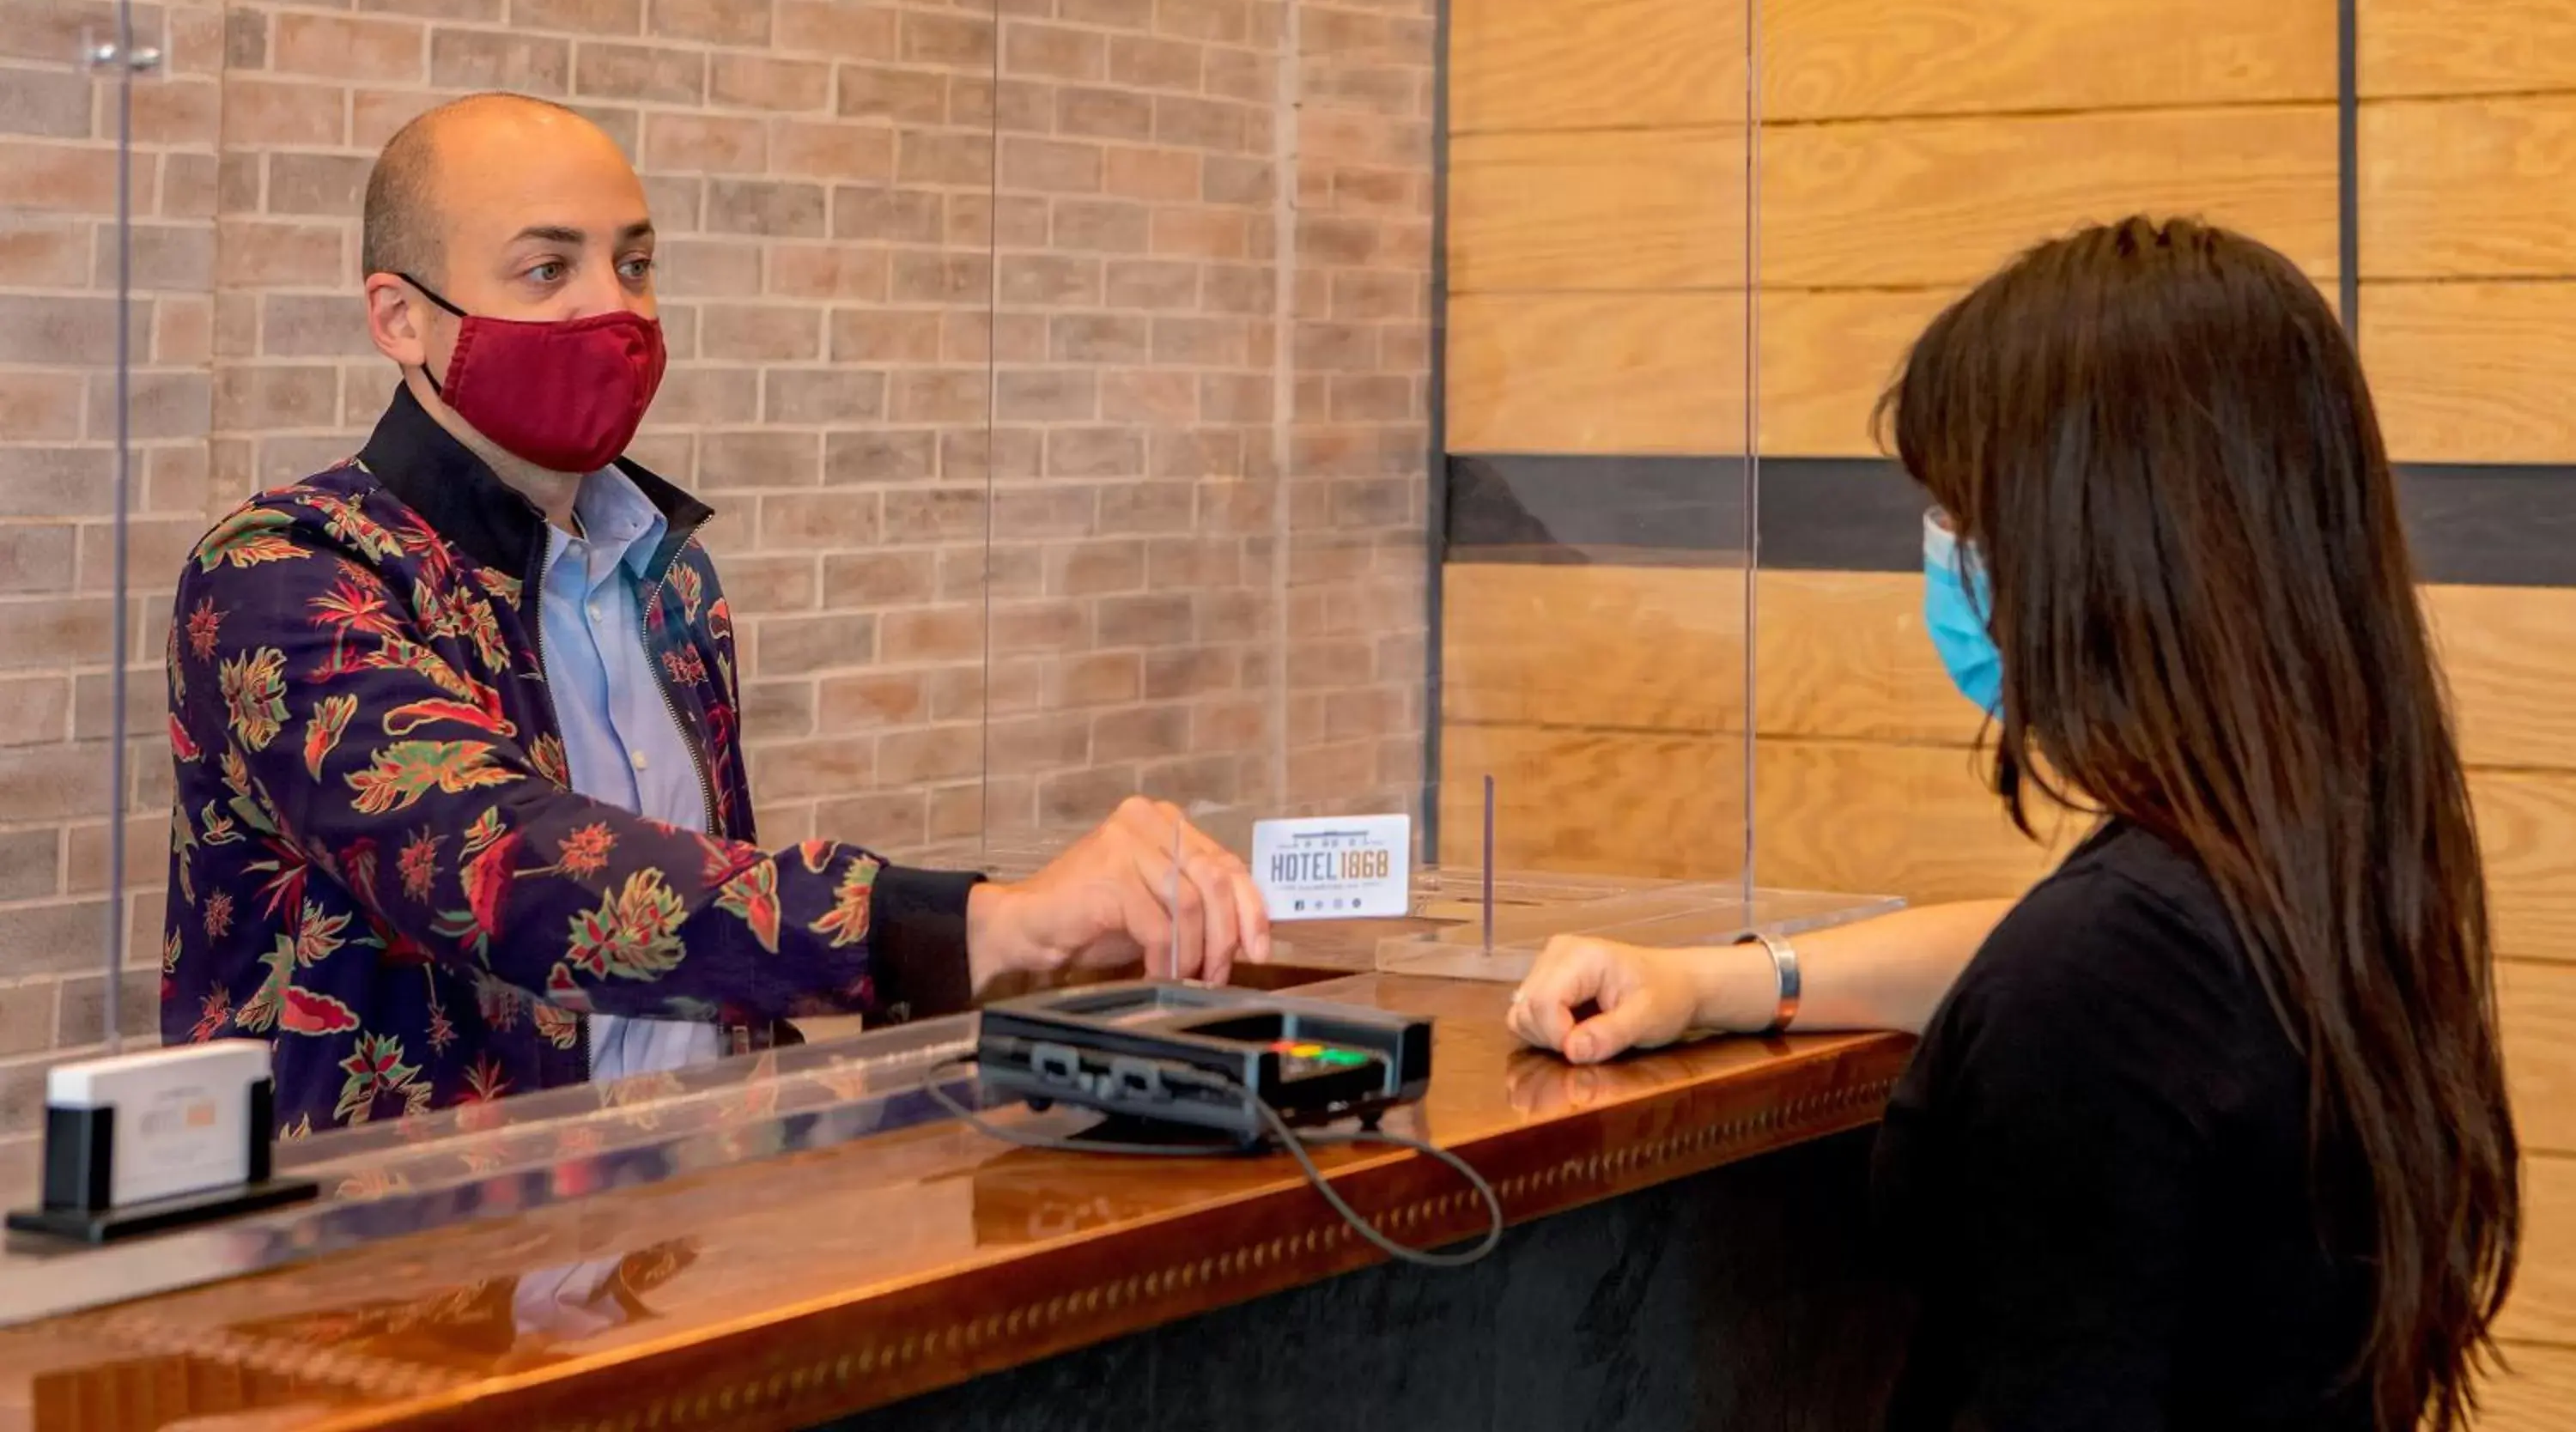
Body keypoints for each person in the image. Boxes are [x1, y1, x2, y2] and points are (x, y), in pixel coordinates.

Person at [1507, 218, 2519, 1432]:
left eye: (1964, 517)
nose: (1947, 557)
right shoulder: (2311, 876)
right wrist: (1724, 983)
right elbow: (2035, 949)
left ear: (2094, 545)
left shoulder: (2111, 972)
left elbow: (2069, 977)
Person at [165, 92, 1270, 1136]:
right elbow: (509, 873)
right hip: (399, 1279)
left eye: (634, 262)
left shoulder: (668, 572)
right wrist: (974, 923)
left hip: (673, 1239)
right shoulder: (285, 571)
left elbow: (696, 947)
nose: (612, 306)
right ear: (401, 317)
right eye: (548, 267)